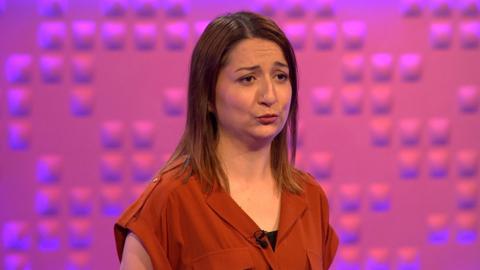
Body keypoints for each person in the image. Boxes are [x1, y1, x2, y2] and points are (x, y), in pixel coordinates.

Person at [114, 11, 338, 270]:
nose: (269, 95)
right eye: (248, 79)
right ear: (208, 96)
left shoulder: (310, 197)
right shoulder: (168, 202)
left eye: (280, 76)